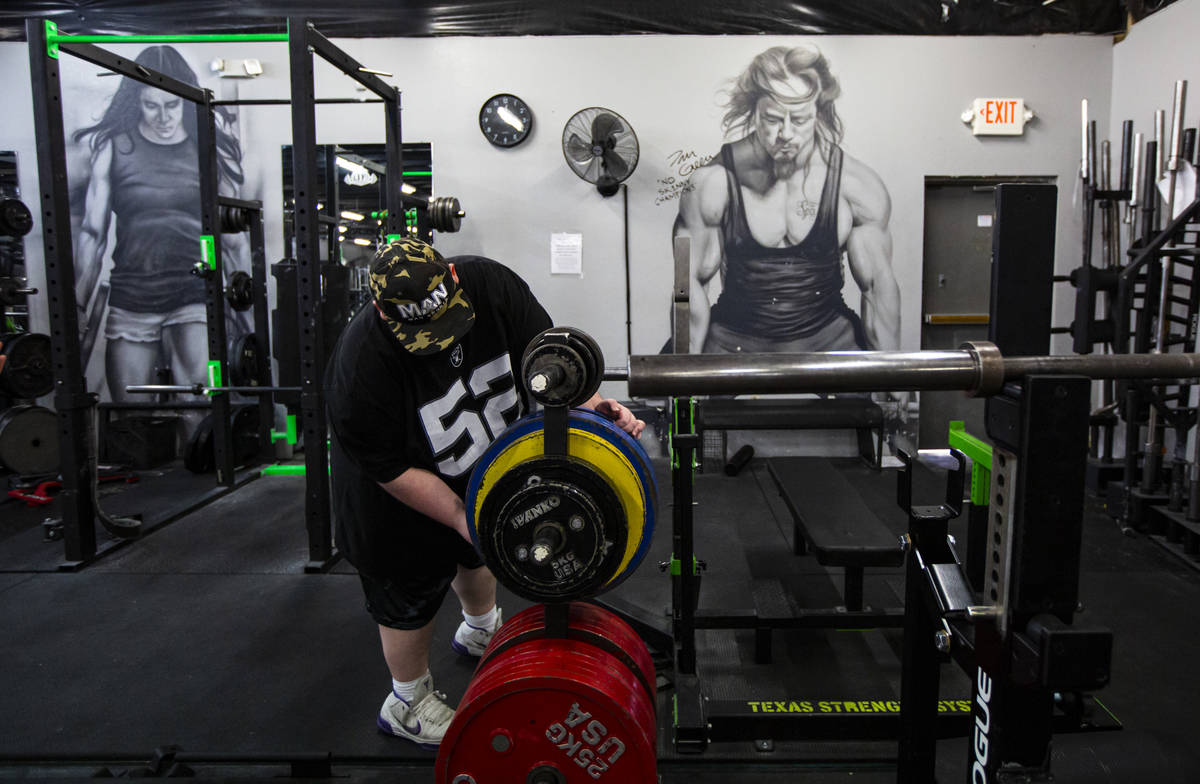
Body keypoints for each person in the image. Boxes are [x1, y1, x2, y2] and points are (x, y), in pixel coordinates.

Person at [324, 238, 645, 748]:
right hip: (393, 486)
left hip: (475, 458)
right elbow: (387, 468)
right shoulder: (360, 367)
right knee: (409, 584)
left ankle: (479, 629)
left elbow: (555, 363)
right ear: (384, 314)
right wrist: (461, 512)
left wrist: (594, 407)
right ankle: (406, 701)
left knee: (478, 549)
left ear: (452, 278)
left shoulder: (492, 286)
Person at [677, 45, 901, 355]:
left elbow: (877, 287)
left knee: (872, 399)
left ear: (818, 114)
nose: (784, 133)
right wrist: (683, 372)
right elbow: (690, 286)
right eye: (771, 119)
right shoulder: (711, 184)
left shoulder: (857, 187)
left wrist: (892, 374)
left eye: (798, 120)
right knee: (686, 400)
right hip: (734, 338)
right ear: (754, 111)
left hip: (830, 337)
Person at [72, 45, 246, 400]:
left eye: (172, 106)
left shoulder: (206, 152)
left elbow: (233, 239)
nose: (163, 117)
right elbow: (93, 234)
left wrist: (248, 307)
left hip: (194, 293)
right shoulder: (115, 148)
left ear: (184, 103)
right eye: (152, 106)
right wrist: (76, 305)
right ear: (136, 101)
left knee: (195, 403)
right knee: (130, 410)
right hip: (131, 293)